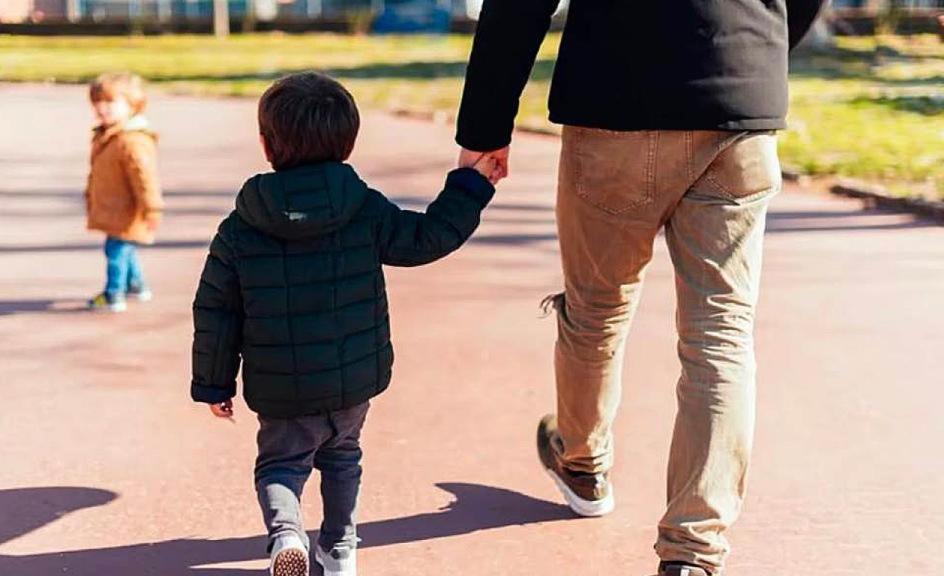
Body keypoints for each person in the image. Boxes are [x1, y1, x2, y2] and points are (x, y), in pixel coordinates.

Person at [455, 0, 824, 574]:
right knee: (720, 334)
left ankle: (582, 461)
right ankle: (693, 552)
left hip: (614, 100)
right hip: (738, 99)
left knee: (596, 308)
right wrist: (755, 54)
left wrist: (484, 126)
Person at [189, 72, 498, 576]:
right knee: (342, 457)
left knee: (280, 465)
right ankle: (339, 548)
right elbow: (426, 238)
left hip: (281, 388)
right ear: (348, 143)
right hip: (353, 381)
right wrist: (470, 183)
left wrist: (213, 383)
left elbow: (216, 309)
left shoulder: (241, 227)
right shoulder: (363, 209)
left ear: (267, 146)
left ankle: (287, 534)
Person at [85, 72, 163, 313]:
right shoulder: (107, 135)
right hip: (114, 208)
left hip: (127, 211)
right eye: (97, 102)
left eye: (110, 103)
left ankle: (114, 293)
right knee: (124, 249)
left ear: (132, 105)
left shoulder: (131, 141)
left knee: (116, 251)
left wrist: (152, 208)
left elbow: (145, 178)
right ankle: (136, 284)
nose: (102, 108)